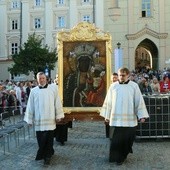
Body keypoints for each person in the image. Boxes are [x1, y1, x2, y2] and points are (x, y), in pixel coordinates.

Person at [100, 67, 149, 165]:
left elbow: (138, 101)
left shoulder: (134, 86)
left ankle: (124, 154)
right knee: (116, 140)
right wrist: (107, 116)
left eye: (123, 75)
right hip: (116, 119)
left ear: (128, 75)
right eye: (119, 75)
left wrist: (141, 116)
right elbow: (108, 102)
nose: (121, 77)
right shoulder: (113, 86)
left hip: (129, 119)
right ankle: (117, 158)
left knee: (128, 139)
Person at [24, 72, 64, 165]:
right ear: (37, 80)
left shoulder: (53, 88)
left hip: (50, 119)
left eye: (42, 78)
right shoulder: (33, 91)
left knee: (49, 140)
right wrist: (29, 120)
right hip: (39, 120)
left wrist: (58, 116)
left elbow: (57, 102)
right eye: (39, 79)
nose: (41, 80)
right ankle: (45, 153)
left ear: (46, 79)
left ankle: (47, 157)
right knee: (41, 140)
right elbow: (30, 106)